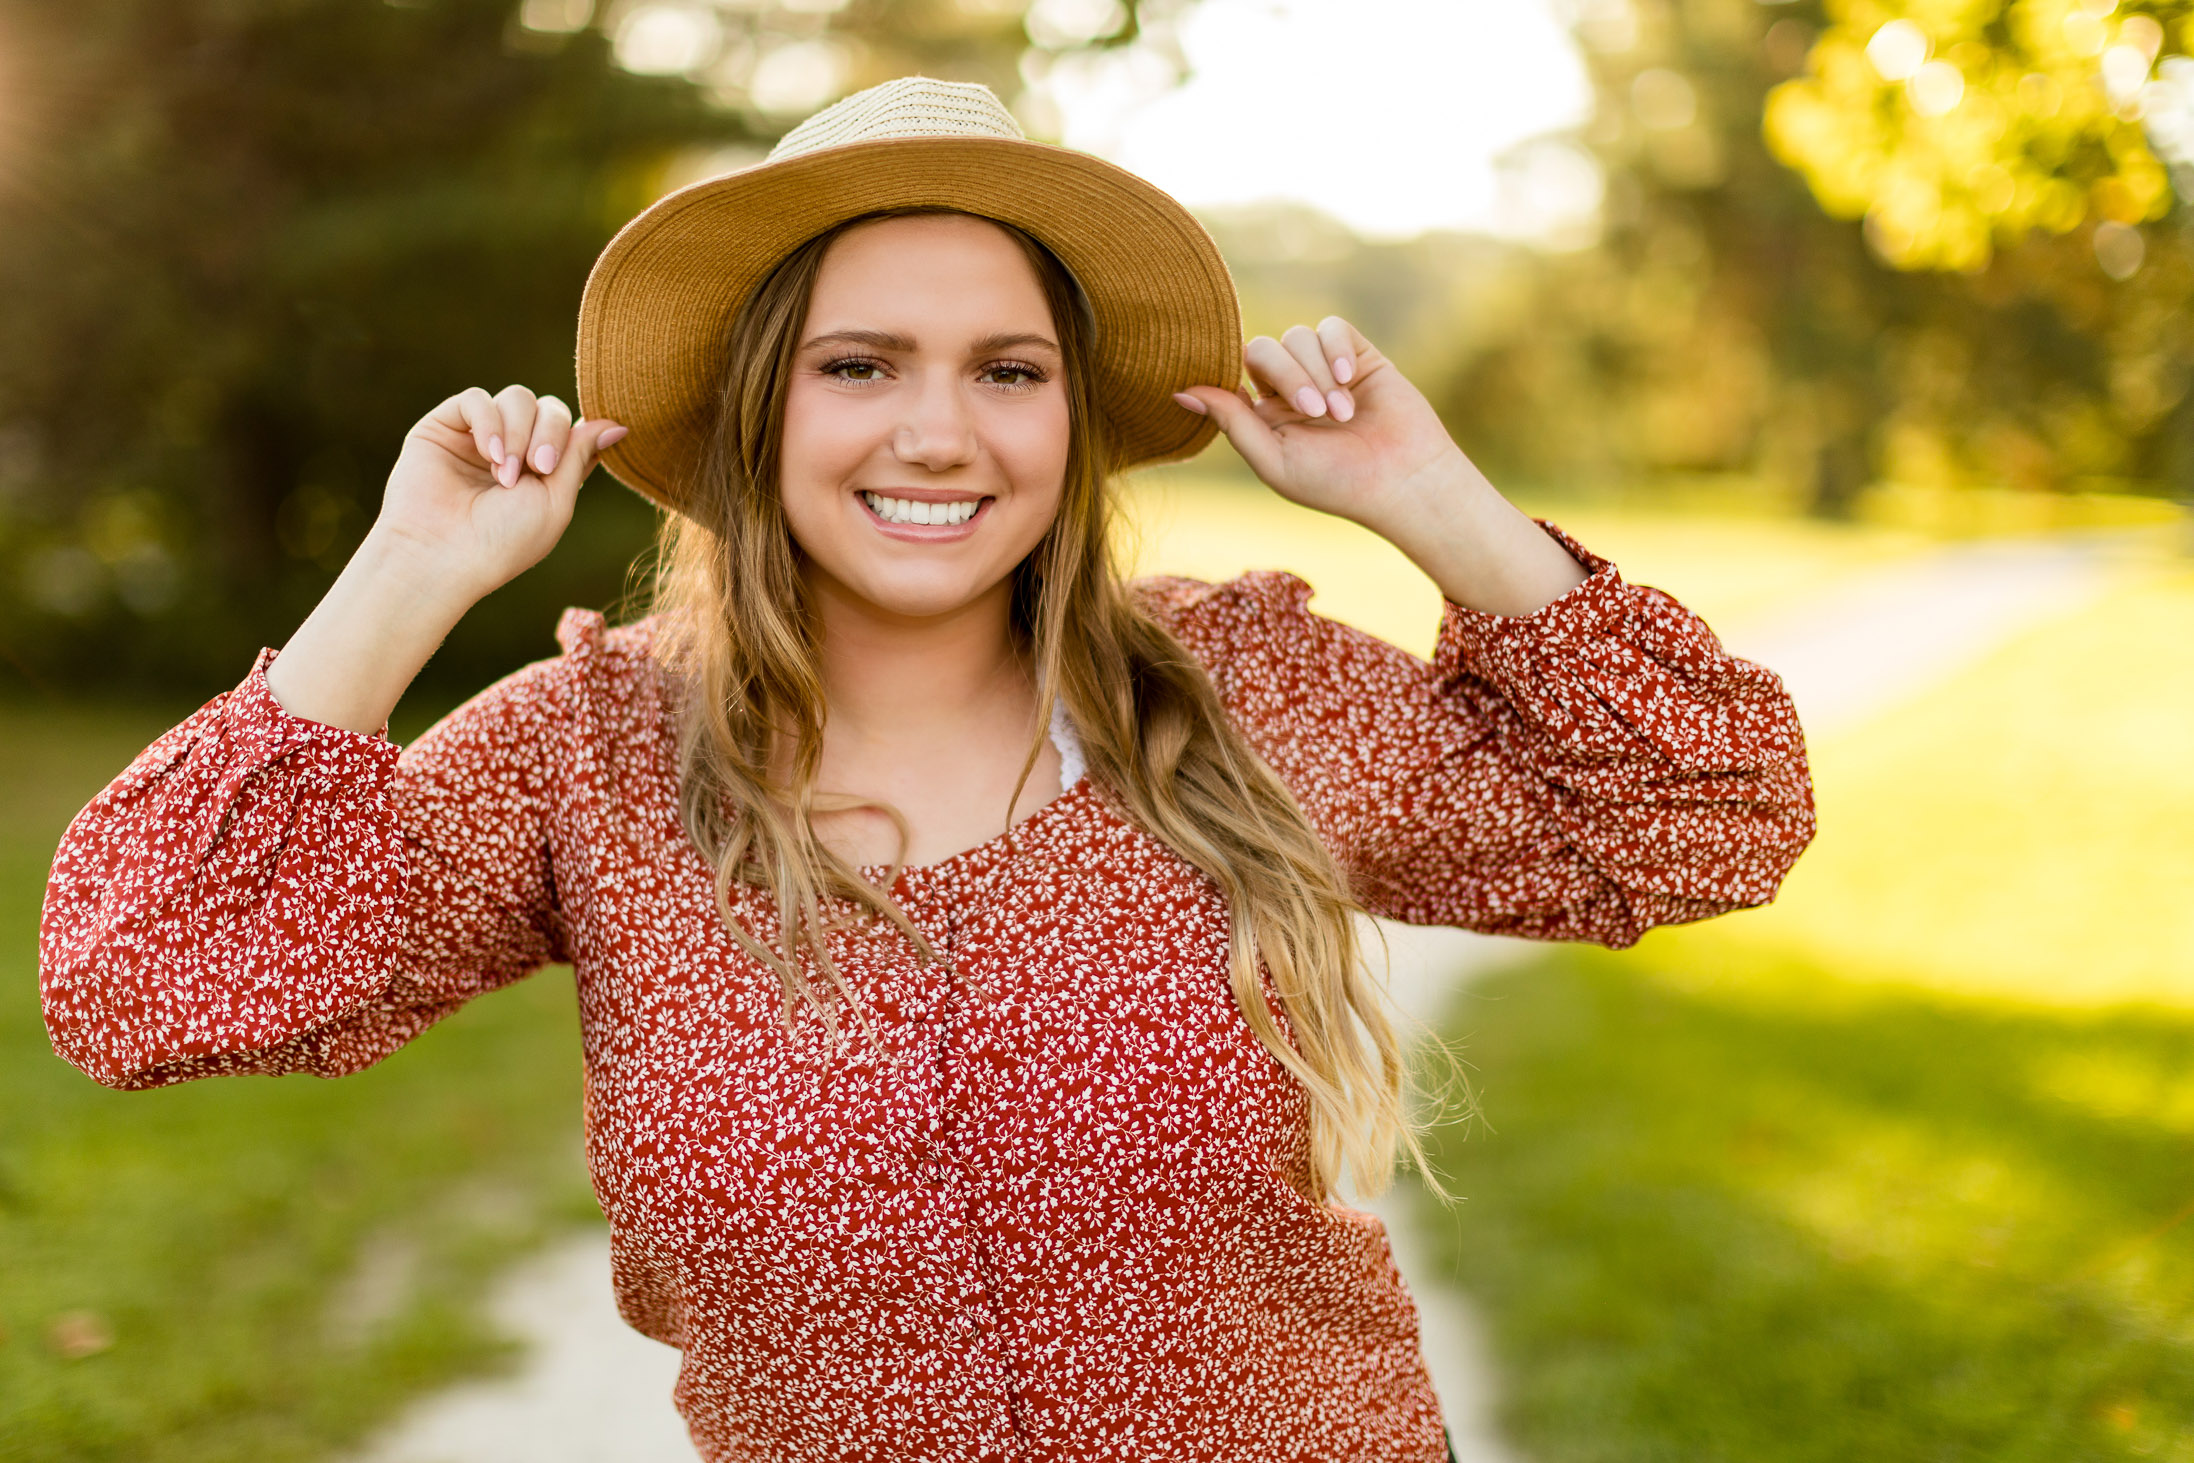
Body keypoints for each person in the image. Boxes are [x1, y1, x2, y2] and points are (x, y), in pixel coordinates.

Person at [39, 76, 1814, 1462]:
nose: (937, 431)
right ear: (759, 409)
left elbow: (1708, 815)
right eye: (859, 364)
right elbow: (142, 983)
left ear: (1071, 420)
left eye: (1009, 369)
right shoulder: (586, 762)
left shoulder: (1239, 693)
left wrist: (1430, 500)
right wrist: (408, 574)